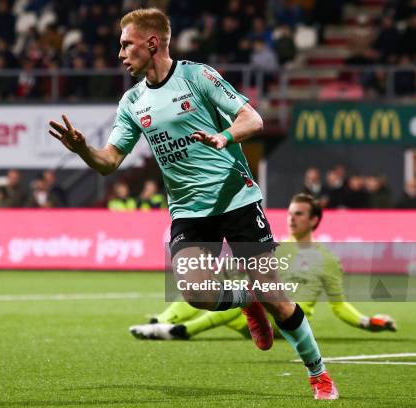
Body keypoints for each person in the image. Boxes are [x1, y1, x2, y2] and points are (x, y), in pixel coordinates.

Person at [48, 8, 337, 400]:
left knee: (278, 299)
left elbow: (253, 121)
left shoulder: (197, 77)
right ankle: (246, 299)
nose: (119, 53)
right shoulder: (132, 101)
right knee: (195, 292)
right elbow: (108, 164)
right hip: (187, 210)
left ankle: (319, 375)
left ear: (152, 43)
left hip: (235, 197)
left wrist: (224, 137)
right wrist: (83, 149)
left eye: (125, 44)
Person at [129, 193, 397, 340]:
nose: (291, 219)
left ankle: (182, 332)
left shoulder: (326, 259)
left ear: (315, 220)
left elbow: (339, 306)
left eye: (299, 214)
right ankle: (162, 320)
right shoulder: (278, 246)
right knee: (205, 285)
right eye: (290, 213)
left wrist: (366, 321)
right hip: (256, 316)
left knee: (250, 297)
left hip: (284, 319)